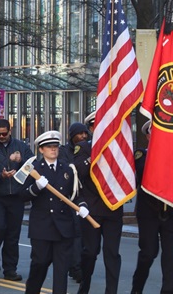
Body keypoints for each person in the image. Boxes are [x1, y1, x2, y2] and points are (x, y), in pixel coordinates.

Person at [21, 131, 88, 294]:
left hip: (64, 226)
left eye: (55, 146)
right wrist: (36, 188)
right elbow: (20, 195)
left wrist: (83, 206)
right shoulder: (32, 168)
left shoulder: (68, 169)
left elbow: (76, 194)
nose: (53, 149)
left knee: (61, 270)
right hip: (42, 227)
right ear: (41, 149)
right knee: (40, 264)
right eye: (49, 147)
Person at [0, 118, 34, 281]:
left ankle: (10, 269)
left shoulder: (21, 147)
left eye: (4, 133)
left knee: (12, 235)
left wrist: (21, 161)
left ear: (10, 131)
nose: (1, 136)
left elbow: (33, 165)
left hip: (16, 196)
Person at [74, 123, 123, 294]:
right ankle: (84, 285)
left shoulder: (119, 146)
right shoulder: (83, 148)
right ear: (92, 129)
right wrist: (97, 151)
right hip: (92, 209)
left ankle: (112, 290)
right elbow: (80, 171)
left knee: (112, 254)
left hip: (113, 207)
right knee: (90, 252)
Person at [131, 120, 173, 293]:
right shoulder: (142, 154)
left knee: (170, 256)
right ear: (148, 136)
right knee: (149, 253)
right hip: (149, 212)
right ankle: (137, 289)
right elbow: (141, 172)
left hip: (170, 212)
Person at [58, 122, 89, 283]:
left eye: (85, 133)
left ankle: (78, 266)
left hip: (87, 198)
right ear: (72, 136)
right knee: (74, 235)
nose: (83, 136)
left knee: (84, 236)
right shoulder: (64, 152)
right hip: (69, 199)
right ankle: (76, 269)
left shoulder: (89, 149)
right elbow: (67, 170)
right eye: (80, 134)